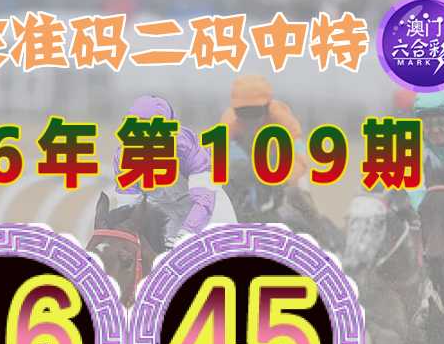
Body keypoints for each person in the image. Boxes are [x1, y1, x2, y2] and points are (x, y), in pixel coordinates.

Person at [111, 94, 235, 247]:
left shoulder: (189, 149)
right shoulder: (124, 157)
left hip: (211, 212)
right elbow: (127, 207)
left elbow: (204, 201)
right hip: (166, 215)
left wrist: (186, 235)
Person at [220, 74, 311, 215]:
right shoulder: (229, 123)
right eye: (243, 112)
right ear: (234, 111)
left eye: (255, 112)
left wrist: (285, 181)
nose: (249, 120)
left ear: (268, 107)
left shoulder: (283, 120)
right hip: (250, 167)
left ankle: (317, 226)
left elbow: (300, 158)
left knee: (298, 194)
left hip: (283, 169)